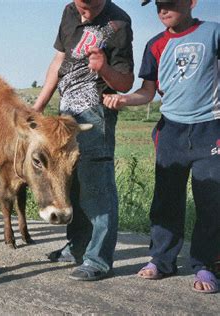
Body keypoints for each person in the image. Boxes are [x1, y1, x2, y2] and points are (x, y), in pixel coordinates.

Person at [104, 0, 219, 294]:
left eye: (170, 3)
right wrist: (125, 99)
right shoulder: (156, 44)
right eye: (158, 5)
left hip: (210, 127)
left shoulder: (213, 33)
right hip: (171, 130)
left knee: (211, 199)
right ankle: (162, 259)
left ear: (192, 2)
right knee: (167, 198)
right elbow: (147, 91)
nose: (163, 10)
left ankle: (205, 263)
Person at [33, 0, 134, 281]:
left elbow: (125, 82)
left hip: (95, 115)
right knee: (71, 183)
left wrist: (103, 68)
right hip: (67, 113)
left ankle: (98, 260)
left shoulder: (119, 23)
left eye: (89, 9)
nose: (83, 13)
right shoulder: (69, 11)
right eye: (80, 7)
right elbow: (58, 60)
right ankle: (77, 248)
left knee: (96, 186)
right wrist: (39, 106)